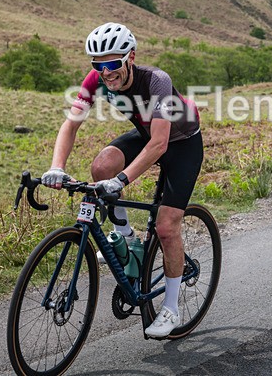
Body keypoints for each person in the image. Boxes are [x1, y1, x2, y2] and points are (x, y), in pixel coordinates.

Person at [41, 22, 203, 338]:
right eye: (98, 65)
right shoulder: (97, 80)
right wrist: (57, 167)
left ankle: (170, 309)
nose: (106, 72)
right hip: (147, 134)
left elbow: (159, 144)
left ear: (130, 57)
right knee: (101, 166)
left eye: (113, 63)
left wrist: (122, 180)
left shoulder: (156, 81)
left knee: (166, 227)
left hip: (181, 143)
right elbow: (70, 125)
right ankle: (126, 237)